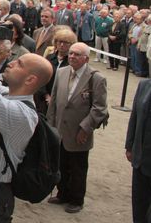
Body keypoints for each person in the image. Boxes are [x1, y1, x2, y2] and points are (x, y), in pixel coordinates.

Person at [0, 25, 52, 222]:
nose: (12, 63)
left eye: (19, 63)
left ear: (31, 79)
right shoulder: (8, 94)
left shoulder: (23, 114)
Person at [47, 42, 108, 214]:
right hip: (60, 129)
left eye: (77, 54)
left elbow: (99, 108)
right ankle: (63, 193)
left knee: (78, 168)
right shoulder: (61, 72)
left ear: (86, 59)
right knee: (61, 164)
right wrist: (51, 126)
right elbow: (54, 102)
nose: (72, 56)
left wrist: (85, 129)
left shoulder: (96, 78)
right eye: (71, 53)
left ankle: (76, 199)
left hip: (79, 133)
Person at [125, 79, 151, 223]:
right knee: (139, 205)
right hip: (140, 159)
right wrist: (129, 146)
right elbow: (134, 116)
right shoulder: (144, 85)